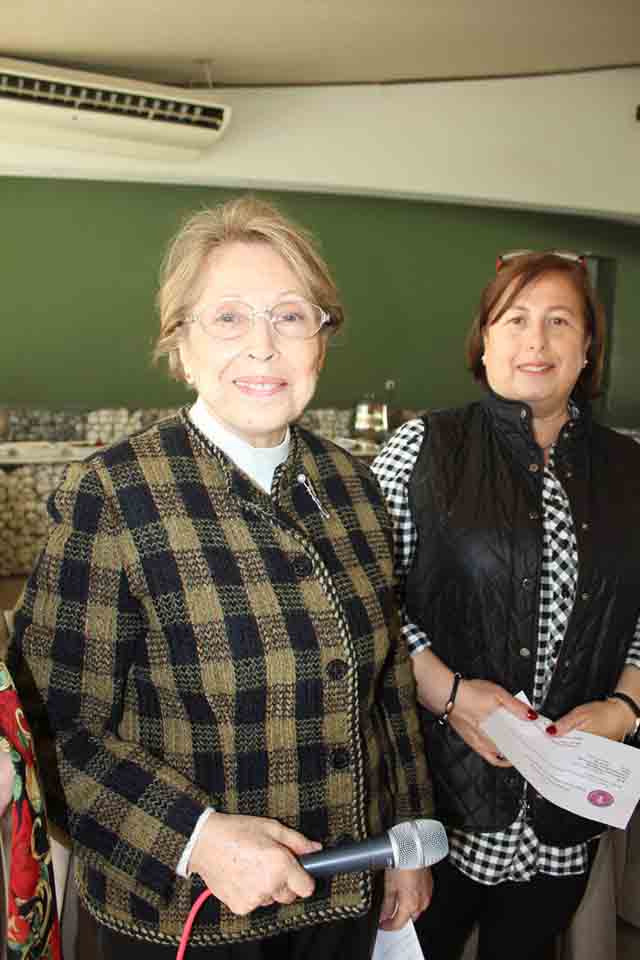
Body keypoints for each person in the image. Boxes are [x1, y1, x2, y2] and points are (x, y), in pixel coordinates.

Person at [9, 196, 432, 959]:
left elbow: (390, 682)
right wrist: (196, 837)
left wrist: (406, 835)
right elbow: (48, 728)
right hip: (187, 914)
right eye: (229, 317)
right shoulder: (114, 494)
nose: (263, 347)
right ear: (181, 344)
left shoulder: (353, 486)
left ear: (322, 340)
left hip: (344, 898)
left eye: (291, 316)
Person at [372, 250, 640, 960]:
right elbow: (365, 599)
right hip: (438, 797)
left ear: (588, 348)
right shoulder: (423, 450)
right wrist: (450, 694)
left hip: (565, 807)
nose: (536, 340)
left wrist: (624, 709)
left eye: (559, 322)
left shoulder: (631, 471)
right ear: (484, 341)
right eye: (514, 320)